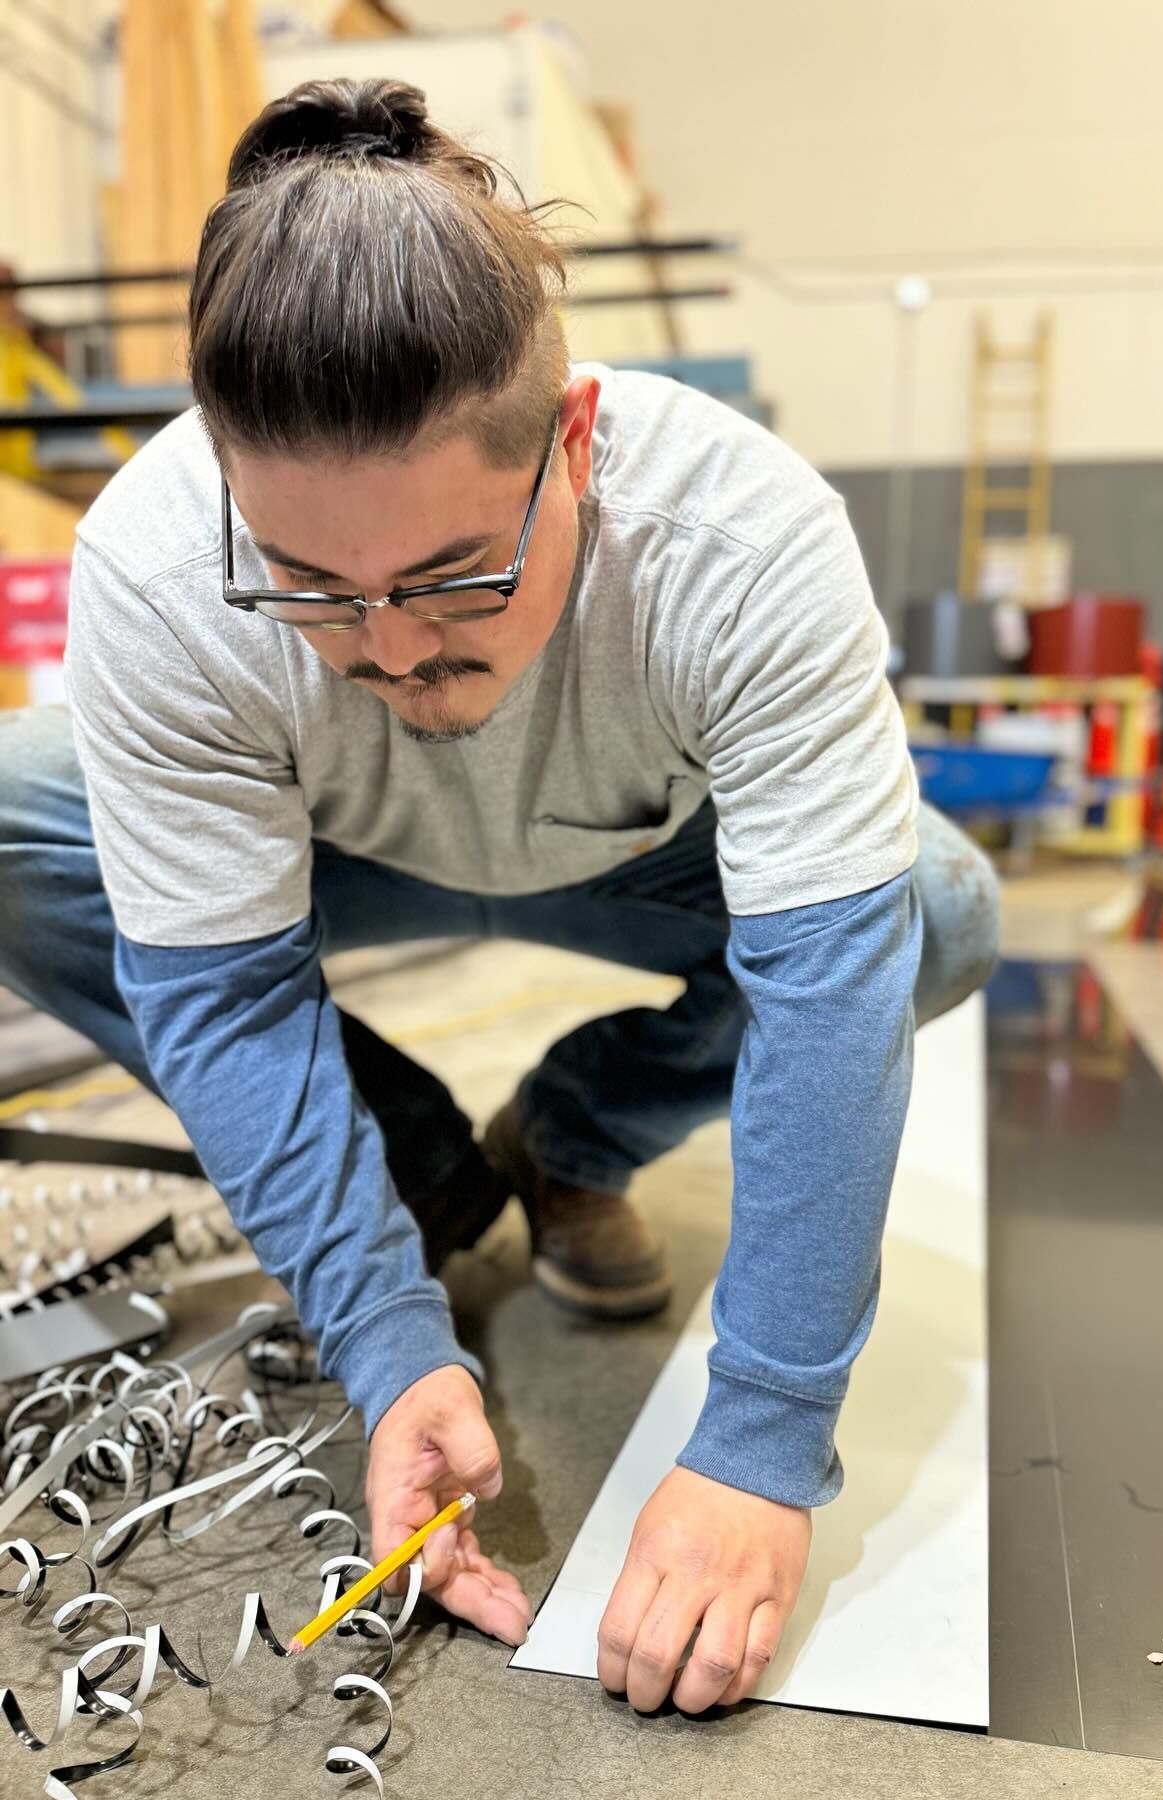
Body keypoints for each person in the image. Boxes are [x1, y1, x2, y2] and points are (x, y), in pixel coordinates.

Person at [0, 78, 998, 1713]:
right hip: (328, 847)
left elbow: (827, 976)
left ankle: (578, 1135)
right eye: (311, 588)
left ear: (576, 445)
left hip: (642, 859)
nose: (392, 650)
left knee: (931, 921)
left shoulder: (737, 537)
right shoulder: (164, 564)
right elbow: (224, 993)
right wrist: (390, 1346)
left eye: (455, 574)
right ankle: (411, 1176)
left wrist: (759, 1446)